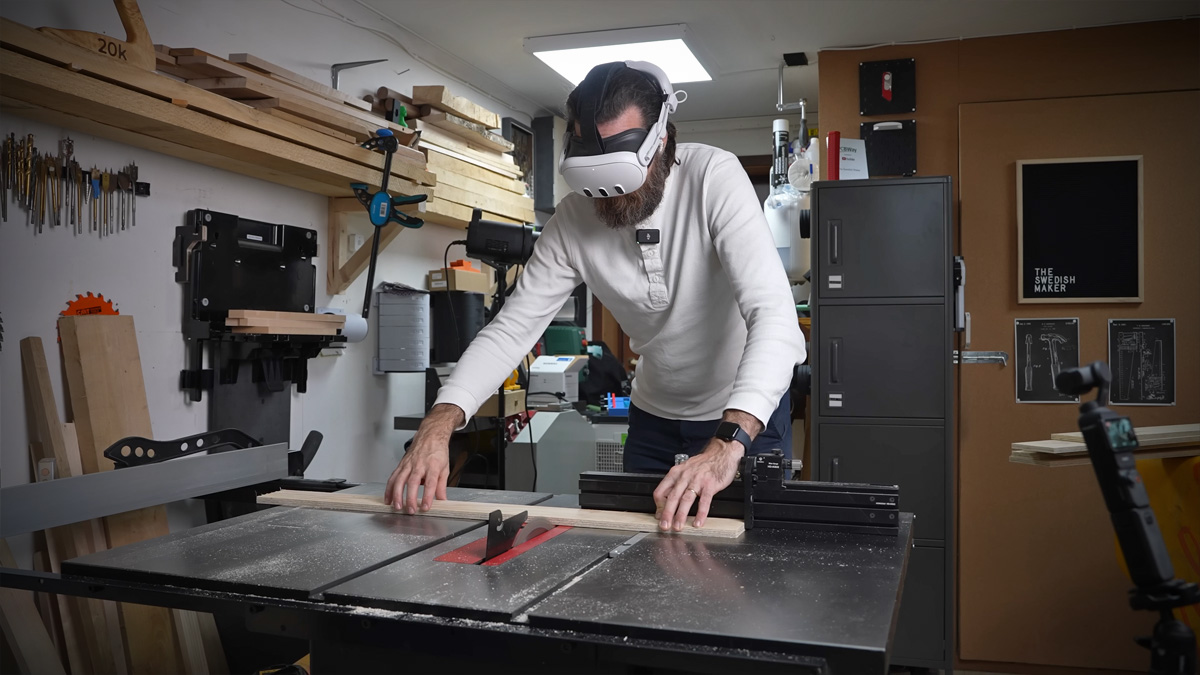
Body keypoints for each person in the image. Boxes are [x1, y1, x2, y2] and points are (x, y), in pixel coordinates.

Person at [386, 60, 805, 532]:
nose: (610, 201)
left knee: (754, 562)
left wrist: (727, 443)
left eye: (623, 179)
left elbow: (773, 318)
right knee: (648, 563)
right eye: (595, 186)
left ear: (661, 142)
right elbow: (510, 331)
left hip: (745, 417)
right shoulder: (571, 221)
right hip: (655, 419)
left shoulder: (714, 178)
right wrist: (440, 423)